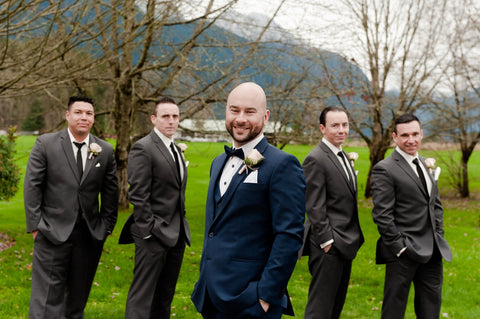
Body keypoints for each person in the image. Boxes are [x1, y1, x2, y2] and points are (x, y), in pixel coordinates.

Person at [191, 82, 305, 318]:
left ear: (265, 116)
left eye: (249, 112)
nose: (240, 118)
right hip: (211, 295)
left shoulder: (282, 165)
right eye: (234, 110)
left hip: (250, 301)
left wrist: (264, 295)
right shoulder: (217, 163)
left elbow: (289, 235)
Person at [24, 95, 119, 319]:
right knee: (46, 303)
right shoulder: (46, 144)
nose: (84, 117)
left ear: (94, 118)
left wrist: (105, 228)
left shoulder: (104, 150)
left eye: (89, 113)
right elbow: (32, 186)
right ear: (67, 115)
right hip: (51, 233)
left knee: (76, 303)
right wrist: (36, 226)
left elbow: (111, 193)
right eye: (78, 112)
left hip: (88, 237)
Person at [371, 113, 452, 319]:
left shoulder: (426, 164)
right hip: (404, 252)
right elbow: (382, 215)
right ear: (394, 137)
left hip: (433, 251)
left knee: (430, 310)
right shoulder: (385, 169)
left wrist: (438, 235)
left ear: (422, 134)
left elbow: (435, 205)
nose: (411, 140)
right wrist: (399, 247)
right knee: (394, 311)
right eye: (405, 135)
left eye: (415, 134)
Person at [118, 96, 191, 318]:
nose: (171, 121)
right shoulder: (144, 147)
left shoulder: (175, 149)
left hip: (177, 235)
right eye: (165, 116)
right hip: (153, 234)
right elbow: (138, 194)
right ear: (154, 119)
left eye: (175, 116)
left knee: (164, 297)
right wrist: (149, 230)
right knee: (142, 296)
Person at [300, 106, 364, 319]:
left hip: (346, 243)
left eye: (345, 125)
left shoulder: (342, 155)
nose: (341, 130)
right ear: (322, 128)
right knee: (320, 309)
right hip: (329, 245)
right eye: (335, 125)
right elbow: (314, 204)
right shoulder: (316, 158)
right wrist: (327, 241)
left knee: (335, 306)